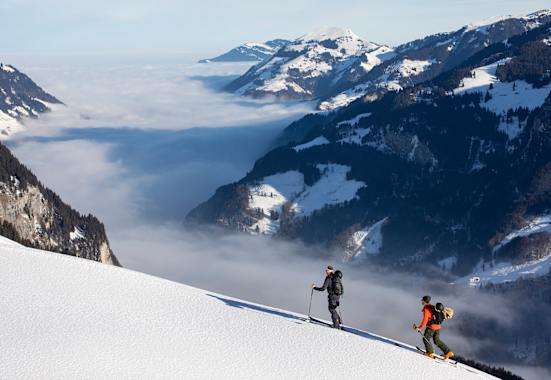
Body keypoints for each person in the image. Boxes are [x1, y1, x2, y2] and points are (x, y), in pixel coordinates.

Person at [414, 295, 454, 360]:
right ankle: (448, 352)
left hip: (431, 327)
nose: (421, 301)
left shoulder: (426, 309)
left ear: (424, 301)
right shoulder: (433, 306)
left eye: (422, 300)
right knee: (437, 340)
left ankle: (430, 353)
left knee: (425, 339)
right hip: (438, 327)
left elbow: (425, 320)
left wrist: (419, 327)